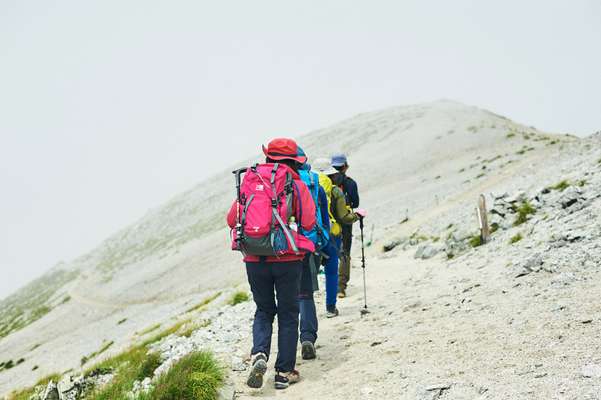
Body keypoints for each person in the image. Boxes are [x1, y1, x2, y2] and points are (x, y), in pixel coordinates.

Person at [226, 138, 316, 390]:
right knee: (288, 314)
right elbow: (308, 222)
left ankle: (259, 354)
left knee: (264, 310)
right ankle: (283, 372)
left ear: (269, 157)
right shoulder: (295, 183)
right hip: (287, 258)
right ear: (292, 161)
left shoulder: (250, 179)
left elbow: (232, 219)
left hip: (254, 257)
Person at [313, 158, 365, 315]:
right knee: (331, 271)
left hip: (311, 234)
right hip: (331, 235)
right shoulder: (336, 191)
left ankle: (306, 311)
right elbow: (344, 217)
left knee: (307, 274)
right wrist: (357, 215)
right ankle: (330, 307)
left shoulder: (307, 186)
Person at [296, 149, 331, 361]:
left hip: (278, 246)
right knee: (305, 294)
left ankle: (285, 345)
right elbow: (324, 215)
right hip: (307, 244)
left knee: (285, 298)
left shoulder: (275, 181)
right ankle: (307, 336)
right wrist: (322, 241)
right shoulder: (312, 181)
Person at [331, 153, 360, 298]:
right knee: (344, 253)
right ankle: (340, 288)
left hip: (329, 222)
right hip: (346, 221)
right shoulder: (351, 183)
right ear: (345, 166)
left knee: (330, 253)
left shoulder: (327, 182)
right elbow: (356, 203)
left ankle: (329, 287)